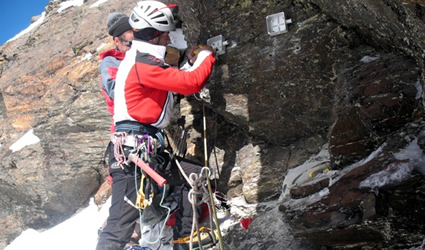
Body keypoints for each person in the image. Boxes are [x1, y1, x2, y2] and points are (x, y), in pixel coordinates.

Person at [95, 1, 216, 250]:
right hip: (133, 156)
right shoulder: (142, 63)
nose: (169, 37)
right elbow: (192, 83)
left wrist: (188, 64)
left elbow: (168, 84)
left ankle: (185, 238)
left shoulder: (142, 61)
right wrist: (206, 55)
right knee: (119, 226)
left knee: (192, 175)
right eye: (165, 33)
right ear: (157, 34)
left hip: (143, 151)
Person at [97, 12, 140, 249]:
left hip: (147, 131)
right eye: (128, 41)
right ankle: (119, 239)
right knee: (126, 199)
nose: (132, 45)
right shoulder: (111, 62)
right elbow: (114, 91)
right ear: (116, 40)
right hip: (125, 137)